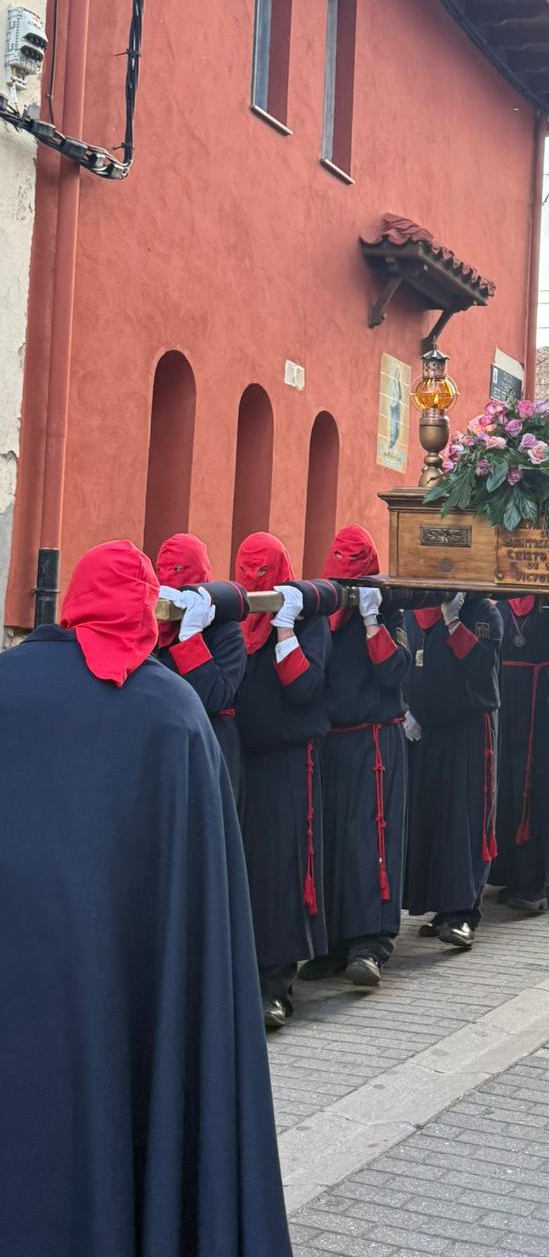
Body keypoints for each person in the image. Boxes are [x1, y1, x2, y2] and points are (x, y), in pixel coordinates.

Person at [0, 541, 292, 1255]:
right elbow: (204, 899)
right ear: (146, 609)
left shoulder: (7, 683)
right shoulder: (172, 712)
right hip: (130, 977)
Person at [304, 525, 409, 988]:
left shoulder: (390, 609)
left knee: (370, 840)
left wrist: (372, 623)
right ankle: (329, 942)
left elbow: (393, 673)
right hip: (329, 742)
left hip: (373, 741)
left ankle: (370, 942)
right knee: (328, 842)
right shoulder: (321, 611)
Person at [233, 531, 331, 1030]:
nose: (253, 579)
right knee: (242, 871)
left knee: (281, 871)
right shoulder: (232, 618)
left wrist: (284, 629)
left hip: (288, 763)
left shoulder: (308, 620)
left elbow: (304, 688)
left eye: (262, 570)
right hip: (240, 762)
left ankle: (275, 986)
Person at [404, 592, 502, 950]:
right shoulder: (415, 613)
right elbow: (405, 665)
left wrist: (453, 623)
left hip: (469, 728)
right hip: (428, 729)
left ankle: (463, 912)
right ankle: (439, 904)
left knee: (465, 820)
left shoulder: (484, 613)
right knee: (432, 819)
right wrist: (406, 709)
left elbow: (481, 666)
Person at [492, 595, 549, 914]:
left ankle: (536, 881)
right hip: (506, 693)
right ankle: (511, 874)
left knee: (541, 782)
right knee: (506, 783)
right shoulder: (499, 604)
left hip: (544, 693)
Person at [155, 531, 247, 809]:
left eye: (178, 570)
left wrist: (190, 639)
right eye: (161, 571)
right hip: (163, 748)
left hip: (209, 746)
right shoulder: (153, 626)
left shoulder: (226, 630)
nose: (168, 578)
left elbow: (214, 696)